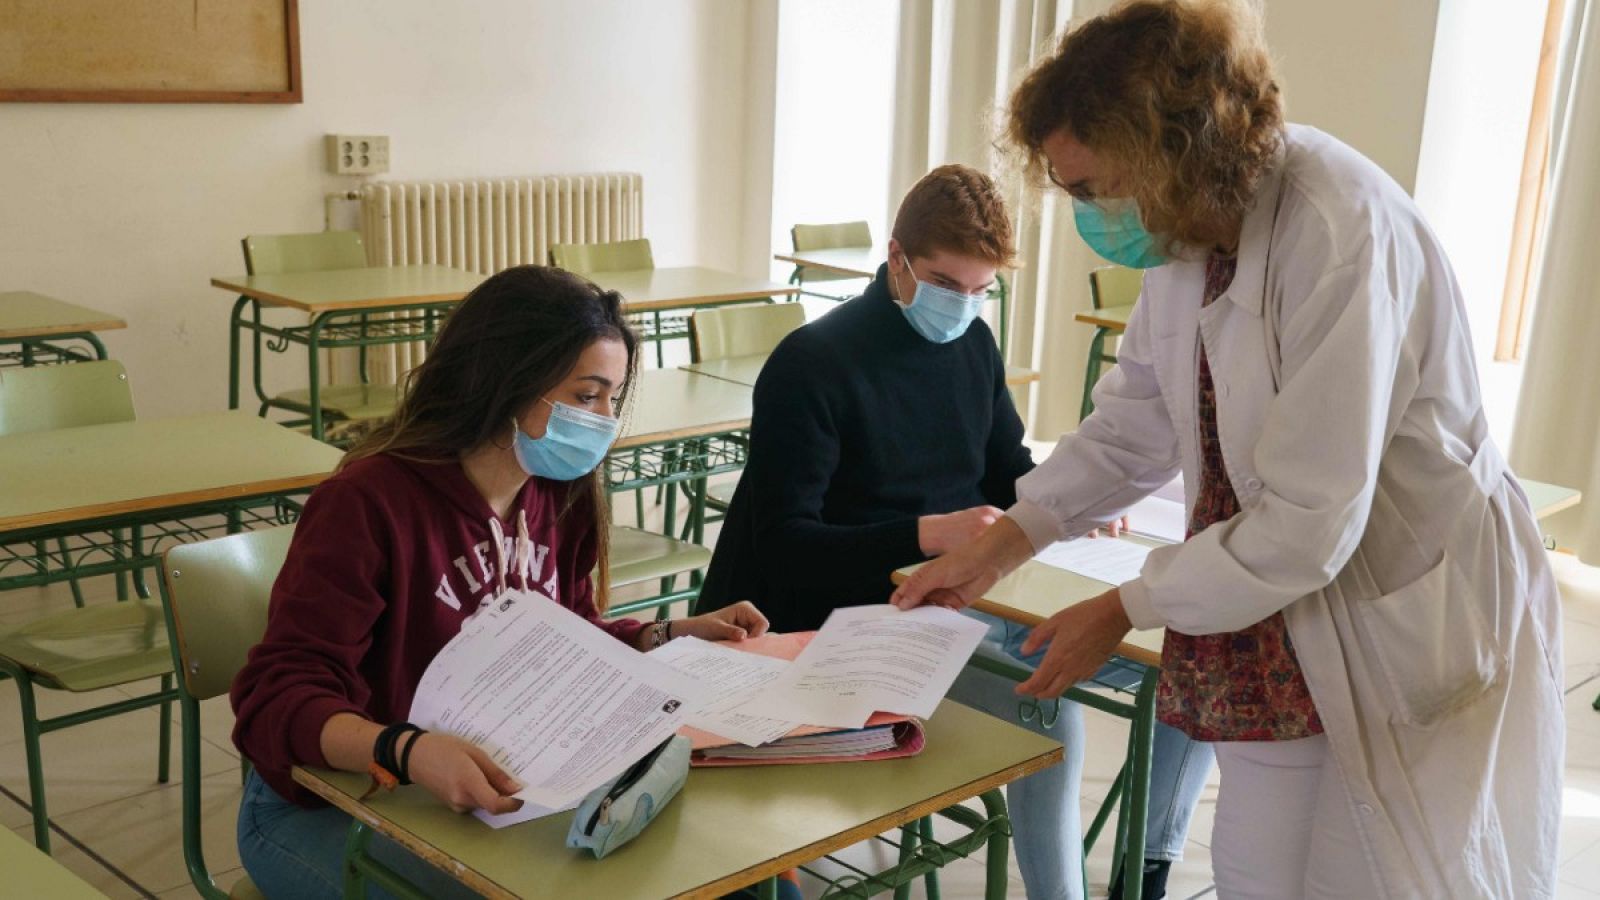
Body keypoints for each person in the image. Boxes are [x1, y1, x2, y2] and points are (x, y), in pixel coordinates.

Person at [892, 2, 1564, 897]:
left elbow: (1309, 519)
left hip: (1388, 601)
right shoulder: (1189, 233)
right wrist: (1002, 545)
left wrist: (1124, 605)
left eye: (1094, 187)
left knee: (1376, 872)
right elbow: (1133, 422)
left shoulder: (1339, 229)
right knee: (1256, 866)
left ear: (1172, 150)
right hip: (1270, 615)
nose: (1092, 213)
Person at [698, 164, 1213, 900]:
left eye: (980, 290)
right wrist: (926, 533)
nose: (963, 305)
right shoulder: (811, 364)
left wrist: (1083, 499)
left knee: (1194, 652)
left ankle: (1148, 871)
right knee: (1047, 704)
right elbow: (784, 549)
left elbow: (1007, 470)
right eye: (945, 283)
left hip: (962, 597)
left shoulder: (971, 342)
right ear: (897, 259)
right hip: (854, 619)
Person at [230, 266, 770, 898]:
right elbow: (275, 700)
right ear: (505, 380)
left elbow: (567, 641)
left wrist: (666, 635)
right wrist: (409, 750)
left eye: (612, 399)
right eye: (586, 396)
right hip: (331, 803)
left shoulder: (558, 493)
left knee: (739, 880)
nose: (604, 421)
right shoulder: (367, 502)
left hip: (478, 796)